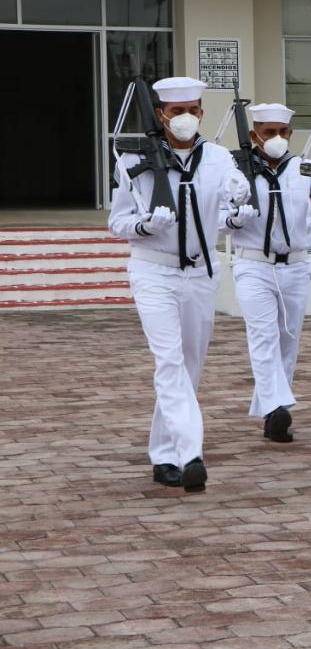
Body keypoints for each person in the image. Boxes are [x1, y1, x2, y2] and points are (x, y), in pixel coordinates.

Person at [107, 76, 251, 491]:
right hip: (154, 270)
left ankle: (164, 453)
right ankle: (190, 453)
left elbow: (226, 209)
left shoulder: (219, 159)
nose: (186, 118)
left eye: (193, 110)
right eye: (176, 111)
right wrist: (143, 225)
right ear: (161, 115)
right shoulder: (133, 160)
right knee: (168, 361)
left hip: (201, 273)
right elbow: (117, 222)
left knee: (188, 366)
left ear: (202, 113)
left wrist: (238, 198)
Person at [225, 103, 311, 445]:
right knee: (263, 336)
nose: (276, 139)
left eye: (282, 133)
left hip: (294, 265)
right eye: (268, 133)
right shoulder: (236, 170)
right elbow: (216, 215)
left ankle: (271, 410)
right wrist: (233, 217)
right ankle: (278, 407)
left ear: (290, 134)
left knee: (287, 341)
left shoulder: (304, 170)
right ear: (253, 136)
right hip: (253, 264)